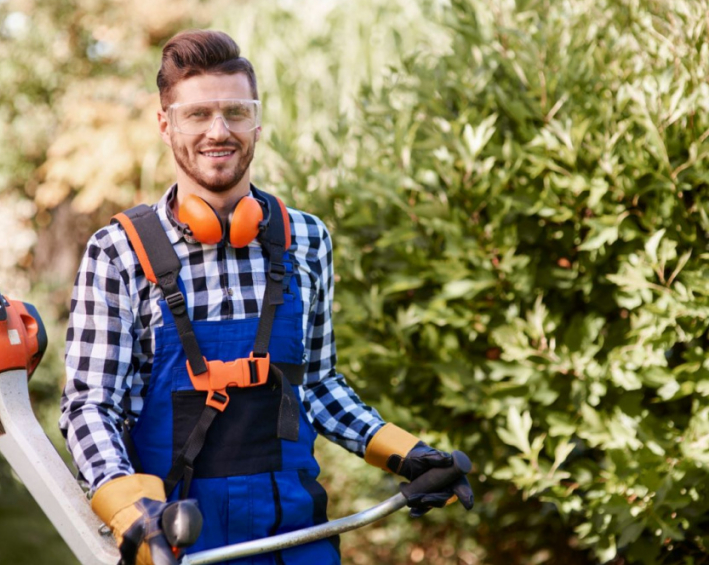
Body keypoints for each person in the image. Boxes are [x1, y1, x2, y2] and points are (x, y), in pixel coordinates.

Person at [59, 29, 473, 565]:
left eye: (235, 112)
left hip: (295, 540)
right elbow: (91, 405)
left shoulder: (306, 239)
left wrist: (408, 454)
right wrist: (130, 513)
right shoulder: (117, 251)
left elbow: (318, 385)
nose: (219, 131)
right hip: (175, 546)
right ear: (165, 124)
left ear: (256, 120)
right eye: (197, 115)